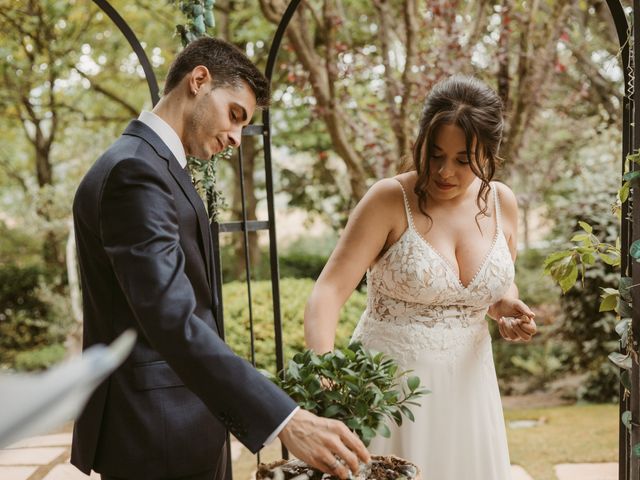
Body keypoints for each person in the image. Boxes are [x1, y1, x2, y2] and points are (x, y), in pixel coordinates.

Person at [71, 37, 369, 480]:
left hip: (176, 421)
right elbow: (171, 319)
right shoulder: (136, 172)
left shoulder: (149, 165)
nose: (235, 137)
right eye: (235, 115)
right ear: (199, 80)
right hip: (157, 433)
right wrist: (287, 418)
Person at [304, 75, 537, 479]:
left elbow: (497, 286)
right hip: (392, 397)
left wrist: (505, 308)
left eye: (464, 160)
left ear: (490, 154)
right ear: (421, 144)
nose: (446, 171)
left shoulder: (503, 202)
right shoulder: (388, 200)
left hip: (471, 392)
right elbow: (327, 292)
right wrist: (326, 378)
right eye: (435, 155)